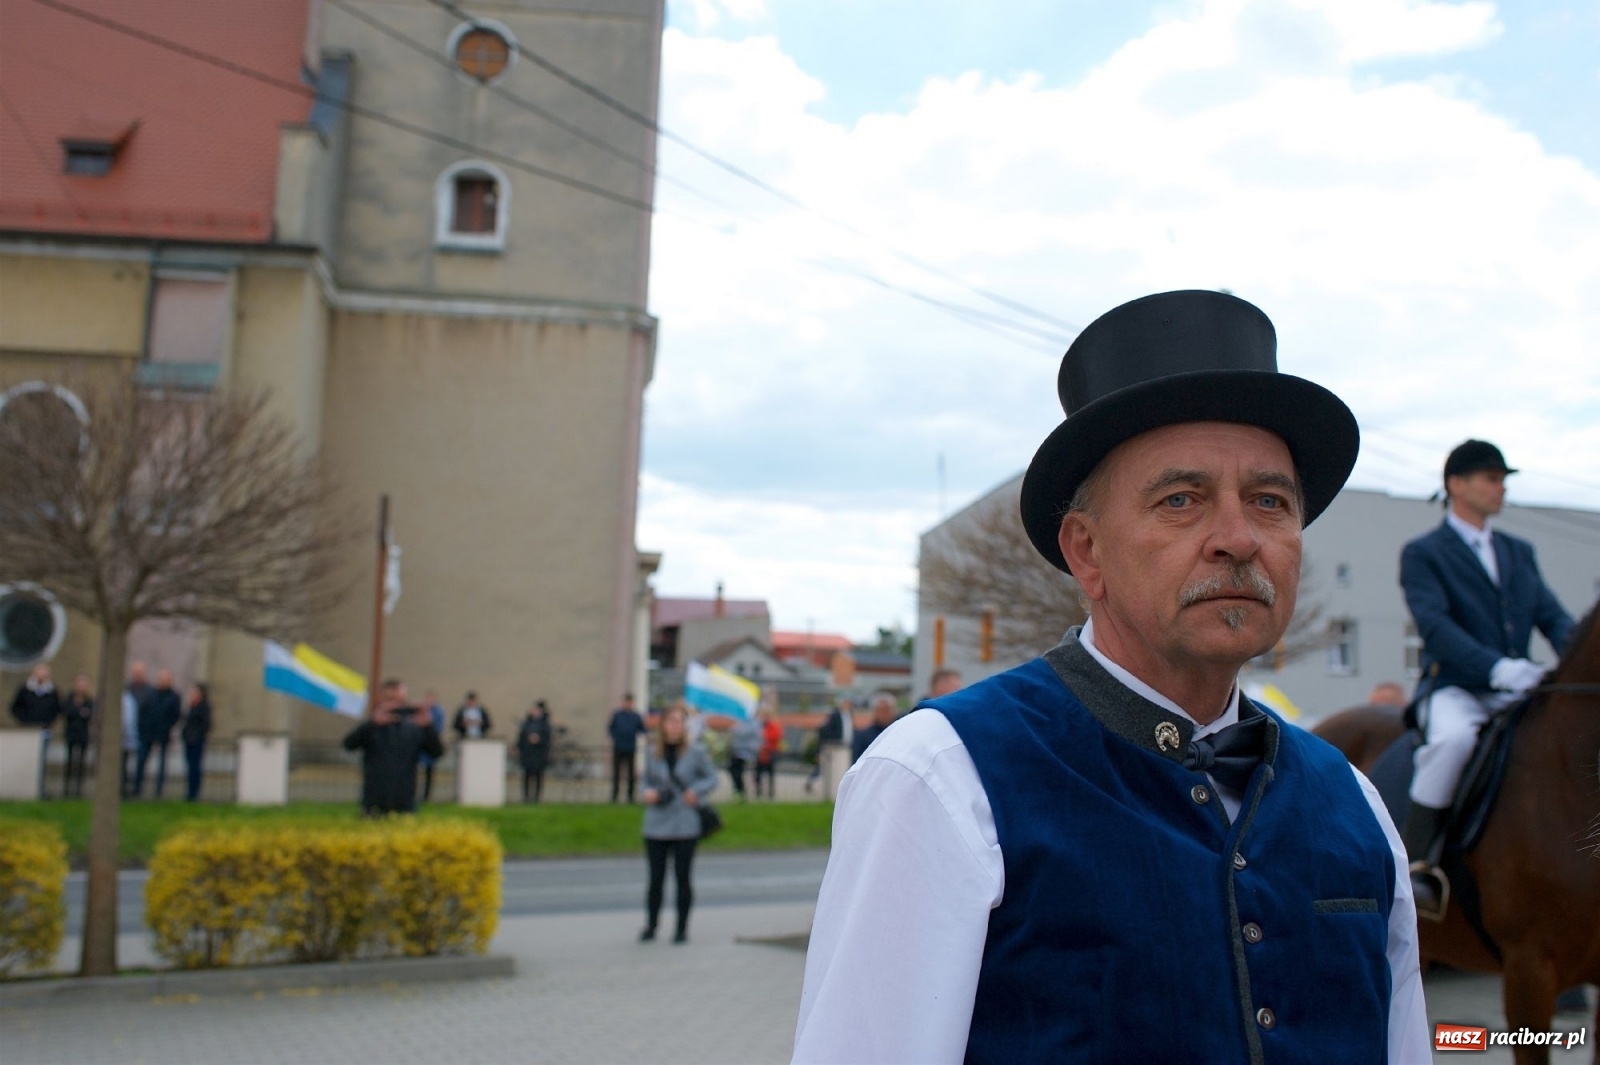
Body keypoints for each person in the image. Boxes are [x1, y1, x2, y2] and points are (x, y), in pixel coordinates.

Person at [793, 290, 1429, 1063]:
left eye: (1269, 501)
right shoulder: (943, 777)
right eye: (1182, 499)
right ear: (1086, 552)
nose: (1237, 538)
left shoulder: (1355, 803)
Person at [1398, 439, 1573, 919]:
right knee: (1451, 743)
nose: (1501, 489)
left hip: (1519, 686)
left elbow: (1553, 617)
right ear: (1457, 484)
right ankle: (1420, 866)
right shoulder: (1424, 553)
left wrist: (1576, 659)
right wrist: (1496, 667)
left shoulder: (1518, 551)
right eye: (1492, 479)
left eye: (1503, 480)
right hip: (1456, 687)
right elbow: (1435, 627)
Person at [638, 703, 717, 944]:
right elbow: (644, 782)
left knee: (683, 878)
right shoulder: (653, 752)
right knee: (655, 879)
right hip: (657, 822)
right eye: (671, 721)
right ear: (663, 724)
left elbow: (711, 778)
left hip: (685, 822)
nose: (675, 726)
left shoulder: (696, 752)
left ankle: (681, 928)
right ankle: (651, 925)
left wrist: (695, 791)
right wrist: (648, 793)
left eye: (679, 721)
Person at [342, 678, 444, 815]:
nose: (395, 706)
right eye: (390, 700)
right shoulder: (372, 728)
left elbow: (437, 753)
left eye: (399, 701)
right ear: (382, 700)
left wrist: (428, 727)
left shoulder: (414, 727)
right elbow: (348, 745)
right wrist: (371, 724)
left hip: (405, 801)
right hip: (374, 801)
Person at [9, 662, 62, 799]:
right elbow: (15, 707)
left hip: (44, 730)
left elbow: (56, 709)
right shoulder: (25, 690)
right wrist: (24, 720)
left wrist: (48, 722)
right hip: (27, 732)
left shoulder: (52, 691)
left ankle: (40, 788)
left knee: (42, 760)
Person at [133, 668, 181, 798]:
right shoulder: (151, 694)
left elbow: (175, 715)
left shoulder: (174, 697)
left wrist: (167, 726)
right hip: (148, 733)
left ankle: (159, 790)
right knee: (142, 759)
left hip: (163, 733)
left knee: (162, 763)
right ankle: (137, 787)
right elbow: (143, 712)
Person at [804, 698, 853, 794]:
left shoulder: (849, 715)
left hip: (845, 748)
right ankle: (811, 781)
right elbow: (826, 731)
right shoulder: (835, 715)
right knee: (823, 766)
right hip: (833, 747)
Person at [607, 693, 646, 803]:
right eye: (626, 702)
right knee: (616, 773)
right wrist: (615, 738)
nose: (628, 704)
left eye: (630, 702)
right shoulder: (617, 715)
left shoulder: (636, 716)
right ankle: (615, 796)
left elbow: (642, 730)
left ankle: (630, 796)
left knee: (630, 774)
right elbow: (611, 728)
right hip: (618, 747)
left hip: (630, 748)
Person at [60, 673, 94, 798]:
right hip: (71, 733)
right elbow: (67, 712)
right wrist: (80, 713)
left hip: (83, 734)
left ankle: (79, 789)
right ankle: (67, 788)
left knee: (81, 762)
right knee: (70, 761)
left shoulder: (89, 701)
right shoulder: (69, 699)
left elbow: (90, 715)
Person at [180, 682, 213, 803]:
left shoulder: (204, 707)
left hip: (197, 741)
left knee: (195, 767)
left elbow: (206, 724)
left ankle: (194, 793)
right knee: (189, 766)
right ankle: (189, 792)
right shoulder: (190, 706)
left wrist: (197, 735)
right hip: (188, 740)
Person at [516, 700, 553, 803]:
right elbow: (521, 738)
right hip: (528, 753)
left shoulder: (545, 724)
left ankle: (537, 798)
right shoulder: (527, 723)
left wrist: (538, 739)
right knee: (527, 776)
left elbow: (548, 738)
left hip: (539, 754)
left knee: (538, 776)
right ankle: (526, 797)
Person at [850, 694, 898, 763]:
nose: (884, 714)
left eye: (887, 710)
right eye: (881, 711)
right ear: (875, 712)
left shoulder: (900, 734)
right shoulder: (863, 737)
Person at [418, 688, 446, 802]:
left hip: (431, 745)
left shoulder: (438, 712)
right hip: (420, 744)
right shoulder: (421, 710)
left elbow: (439, 728)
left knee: (429, 771)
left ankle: (427, 796)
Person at [727, 713, 762, 800]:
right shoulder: (741, 720)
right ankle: (739, 790)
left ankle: (741, 791)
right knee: (734, 770)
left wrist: (736, 727)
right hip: (737, 750)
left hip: (746, 752)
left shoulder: (754, 722)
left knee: (738, 771)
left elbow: (741, 732)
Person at [754, 707, 784, 799]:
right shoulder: (758, 726)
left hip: (770, 751)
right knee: (758, 773)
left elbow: (776, 737)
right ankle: (758, 791)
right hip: (760, 752)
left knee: (770, 772)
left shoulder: (773, 726)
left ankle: (770, 792)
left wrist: (764, 739)